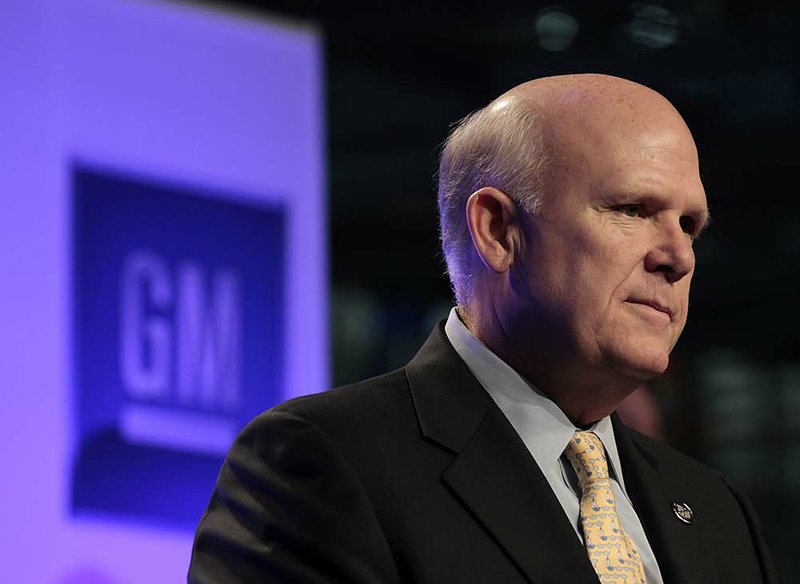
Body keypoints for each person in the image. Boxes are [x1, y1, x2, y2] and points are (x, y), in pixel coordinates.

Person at [188, 74, 778, 583]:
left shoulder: (715, 511)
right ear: (497, 230)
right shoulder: (325, 462)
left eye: (690, 224)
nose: (679, 256)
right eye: (632, 210)